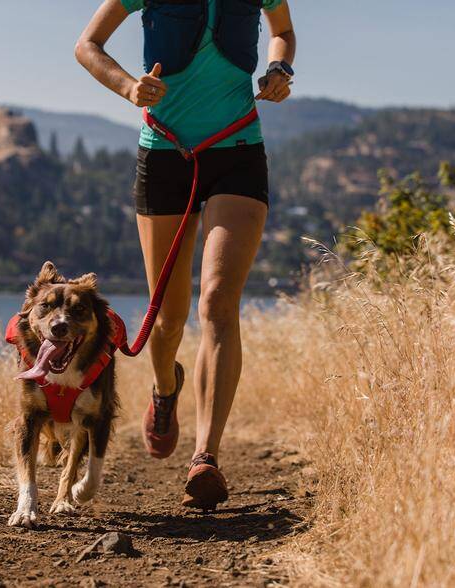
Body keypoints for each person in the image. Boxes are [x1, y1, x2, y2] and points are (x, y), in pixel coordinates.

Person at [75, 0, 295, 509]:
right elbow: (87, 46)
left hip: (237, 151)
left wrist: (280, 68)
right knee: (168, 319)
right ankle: (164, 386)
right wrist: (129, 86)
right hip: (164, 153)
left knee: (218, 302)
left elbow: (282, 30)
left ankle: (205, 457)